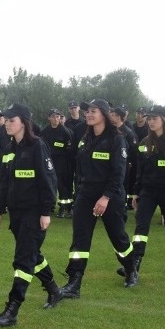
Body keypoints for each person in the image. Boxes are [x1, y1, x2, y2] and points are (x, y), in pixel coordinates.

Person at [0, 103, 62, 327]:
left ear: (24, 123)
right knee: (32, 255)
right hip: (16, 214)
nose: (7, 124)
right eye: (6, 120)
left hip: (34, 212)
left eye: (11, 120)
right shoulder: (9, 149)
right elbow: (4, 182)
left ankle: (12, 309)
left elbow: (49, 181)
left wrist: (46, 211)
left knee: (22, 260)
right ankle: (54, 290)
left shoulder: (38, 146)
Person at [60, 98, 139, 297]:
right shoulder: (85, 139)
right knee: (80, 240)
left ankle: (131, 270)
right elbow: (79, 167)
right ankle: (74, 283)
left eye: (93, 111)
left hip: (110, 197)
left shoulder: (117, 139)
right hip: (86, 195)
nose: (88, 114)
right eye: (87, 111)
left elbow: (119, 173)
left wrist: (105, 198)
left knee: (119, 239)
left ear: (104, 114)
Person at [128, 106, 165, 274]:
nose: (151, 121)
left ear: (163, 120)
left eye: (154, 118)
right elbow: (140, 171)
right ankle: (134, 266)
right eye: (149, 118)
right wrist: (136, 192)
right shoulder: (144, 143)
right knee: (141, 227)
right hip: (148, 191)